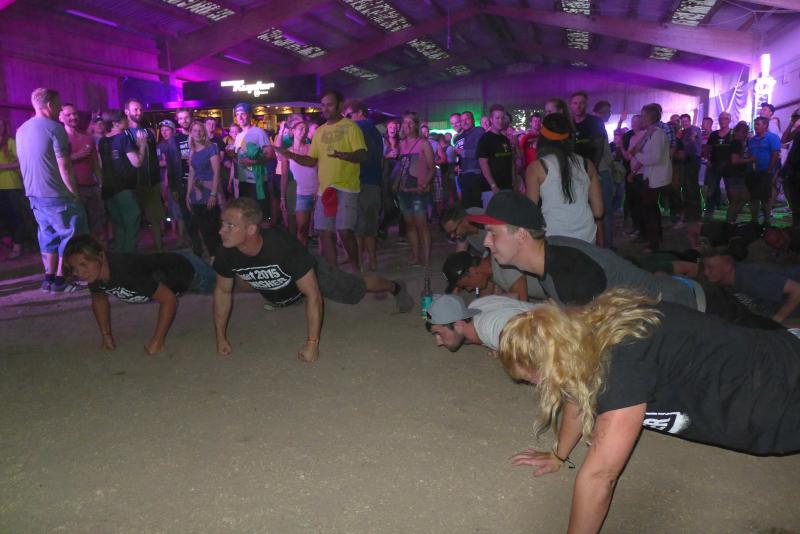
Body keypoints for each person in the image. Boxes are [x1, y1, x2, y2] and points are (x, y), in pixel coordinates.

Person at [497, 287, 800, 533]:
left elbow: (600, 475)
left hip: (784, 397)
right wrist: (559, 455)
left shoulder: (622, 364)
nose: (539, 386)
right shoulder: (583, 337)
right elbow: (574, 391)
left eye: (535, 378)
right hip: (780, 354)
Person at [470, 191, 783, 330]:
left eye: (493, 233)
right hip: (683, 308)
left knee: (777, 342)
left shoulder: (567, 270)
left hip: (697, 310)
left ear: (522, 235)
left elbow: (587, 343)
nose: (485, 242)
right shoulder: (551, 259)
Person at [212, 198, 413, 362]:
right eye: (222, 224)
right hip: (279, 284)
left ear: (251, 229)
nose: (221, 231)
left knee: (354, 289)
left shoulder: (284, 248)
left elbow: (313, 294)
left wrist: (312, 343)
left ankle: (395, 287)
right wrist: (220, 338)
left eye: (230, 226)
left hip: (311, 275)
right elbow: (222, 292)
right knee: (228, 281)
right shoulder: (226, 251)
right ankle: (278, 292)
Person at [64, 234, 216, 355]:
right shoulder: (95, 275)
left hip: (191, 272)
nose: (80, 273)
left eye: (84, 264)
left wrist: (158, 341)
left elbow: (169, 300)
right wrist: (106, 335)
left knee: (228, 286)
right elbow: (99, 300)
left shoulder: (127, 272)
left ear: (101, 256)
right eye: (75, 268)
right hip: (169, 263)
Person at [277, 91, 366, 271]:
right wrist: (292, 155)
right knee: (325, 233)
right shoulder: (319, 132)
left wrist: (345, 155)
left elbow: (362, 155)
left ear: (340, 106)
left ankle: (356, 269)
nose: (325, 108)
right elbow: (311, 160)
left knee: (344, 231)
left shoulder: (351, 127)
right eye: (323, 105)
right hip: (324, 190)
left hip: (346, 188)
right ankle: (333, 272)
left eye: (329, 105)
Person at [16, 87, 88, 292]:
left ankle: (48, 278)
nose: (59, 109)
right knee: (69, 234)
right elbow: (64, 166)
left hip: (34, 193)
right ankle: (61, 280)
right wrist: (74, 193)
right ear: (49, 105)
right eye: (58, 105)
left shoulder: (21, 129)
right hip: (56, 193)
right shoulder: (55, 128)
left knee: (48, 236)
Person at [525, 113, 603, 244]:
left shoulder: (537, 168)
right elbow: (599, 212)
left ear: (542, 138)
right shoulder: (587, 164)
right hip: (587, 238)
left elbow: (530, 213)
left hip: (554, 238)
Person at [702, 251, 800, 326]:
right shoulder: (728, 285)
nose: (705, 272)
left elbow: (797, 290)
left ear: (727, 267)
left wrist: (775, 323)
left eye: (710, 267)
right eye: (704, 267)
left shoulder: (750, 277)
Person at [344, 99, 383, 271]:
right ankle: (373, 262)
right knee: (370, 227)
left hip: (359, 182)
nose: (347, 119)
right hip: (374, 182)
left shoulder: (357, 128)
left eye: (349, 115)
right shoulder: (375, 130)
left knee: (357, 227)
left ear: (360, 112)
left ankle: (358, 264)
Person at [425, 293, 537, 353]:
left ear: (458, 325)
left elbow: (536, 342)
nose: (438, 342)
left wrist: (507, 350)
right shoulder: (476, 304)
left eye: (439, 334)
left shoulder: (490, 330)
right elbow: (514, 295)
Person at [97, 110, 141, 254]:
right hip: (123, 187)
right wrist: (142, 146)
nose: (128, 121)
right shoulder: (123, 138)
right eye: (124, 119)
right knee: (132, 220)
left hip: (108, 189)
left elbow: (101, 165)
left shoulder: (102, 141)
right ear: (115, 123)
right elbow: (137, 162)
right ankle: (129, 258)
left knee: (118, 225)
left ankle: (119, 257)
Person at [629, 103, 672, 252]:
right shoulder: (652, 133)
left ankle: (654, 244)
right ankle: (655, 240)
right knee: (651, 210)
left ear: (649, 117)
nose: (640, 118)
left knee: (649, 211)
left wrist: (637, 155)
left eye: (643, 115)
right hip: (652, 177)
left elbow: (653, 158)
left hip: (655, 178)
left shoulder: (657, 134)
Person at [60, 103, 105, 243]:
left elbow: (95, 162)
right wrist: (76, 156)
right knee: (79, 227)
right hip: (72, 189)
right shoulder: (60, 137)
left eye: (74, 113)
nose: (73, 117)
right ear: (60, 117)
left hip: (91, 186)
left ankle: (99, 252)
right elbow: (56, 163)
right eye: (68, 115)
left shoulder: (87, 136)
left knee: (98, 225)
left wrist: (100, 182)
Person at [125, 98, 165, 251]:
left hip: (151, 182)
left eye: (140, 109)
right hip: (132, 184)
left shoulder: (150, 132)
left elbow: (155, 157)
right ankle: (133, 253)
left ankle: (160, 251)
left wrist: (159, 180)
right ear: (127, 112)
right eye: (135, 109)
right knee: (133, 220)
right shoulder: (125, 133)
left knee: (155, 219)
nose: (139, 112)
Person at [396, 112, 435, 267]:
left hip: (419, 191)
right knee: (410, 225)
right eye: (405, 122)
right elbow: (401, 167)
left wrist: (425, 184)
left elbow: (432, 168)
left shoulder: (423, 143)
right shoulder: (401, 144)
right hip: (404, 190)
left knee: (421, 225)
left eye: (410, 122)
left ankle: (426, 257)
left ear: (416, 125)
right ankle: (416, 257)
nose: (407, 125)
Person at [441, 250, 546, 302]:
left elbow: (521, 308)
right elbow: (484, 305)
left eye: (465, 286)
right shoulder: (488, 268)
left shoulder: (504, 264)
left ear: (472, 271)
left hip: (555, 295)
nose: (469, 290)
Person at [232, 102, 274, 224]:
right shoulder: (239, 136)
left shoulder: (258, 132)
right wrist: (233, 156)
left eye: (243, 114)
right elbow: (240, 159)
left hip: (257, 182)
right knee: (246, 218)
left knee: (260, 218)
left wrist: (253, 162)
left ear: (250, 115)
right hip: (243, 181)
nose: (240, 117)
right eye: (237, 114)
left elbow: (270, 154)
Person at [186, 119, 222, 258]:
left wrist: (213, 194)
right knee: (195, 226)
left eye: (200, 130)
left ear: (204, 132)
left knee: (210, 228)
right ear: (190, 132)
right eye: (195, 130)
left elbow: (216, 172)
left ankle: (215, 256)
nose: (197, 133)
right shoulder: (192, 150)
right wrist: (188, 194)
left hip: (208, 190)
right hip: (196, 192)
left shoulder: (211, 148)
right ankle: (203, 253)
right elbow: (192, 173)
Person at [477, 104, 515, 207]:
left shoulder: (506, 139)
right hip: (490, 189)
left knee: (507, 216)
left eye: (502, 118)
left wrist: (514, 182)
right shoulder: (485, 139)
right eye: (497, 118)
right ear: (491, 120)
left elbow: (510, 162)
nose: (500, 121)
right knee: (492, 217)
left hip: (507, 187)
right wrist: (493, 185)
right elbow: (483, 163)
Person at [286, 121, 318, 247]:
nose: (303, 131)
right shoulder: (288, 152)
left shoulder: (311, 148)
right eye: (300, 128)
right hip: (301, 193)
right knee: (302, 227)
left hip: (316, 190)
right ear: (293, 131)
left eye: (306, 129)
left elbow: (319, 169)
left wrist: (320, 188)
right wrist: (282, 197)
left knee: (318, 228)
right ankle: (302, 254)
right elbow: (284, 176)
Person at [747, 116, 781, 225]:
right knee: (753, 197)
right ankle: (754, 220)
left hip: (767, 172)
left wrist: (769, 170)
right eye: (755, 124)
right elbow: (750, 155)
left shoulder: (772, 138)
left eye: (758, 124)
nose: (755, 127)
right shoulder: (752, 140)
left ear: (765, 125)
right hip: (754, 172)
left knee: (766, 197)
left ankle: (767, 221)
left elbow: (775, 154)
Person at [0, 118, 25, 259]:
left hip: (12, 185)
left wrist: (3, 167)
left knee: (15, 217)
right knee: (4, 218)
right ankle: (10, 243)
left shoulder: (10, 142)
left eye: (1, 125)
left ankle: (17, 247)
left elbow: (21, 162)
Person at [453, 111, 486, 209]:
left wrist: (462, 152)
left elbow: (480, 152)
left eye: (467, 119)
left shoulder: (478, 131)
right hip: (463, 175)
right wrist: (457, 166)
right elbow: (457, 156)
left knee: (476, 207)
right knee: (466, 207)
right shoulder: (459, 137)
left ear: (473, 120)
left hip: (476, 173)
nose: (464, 122)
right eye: (462, 120)